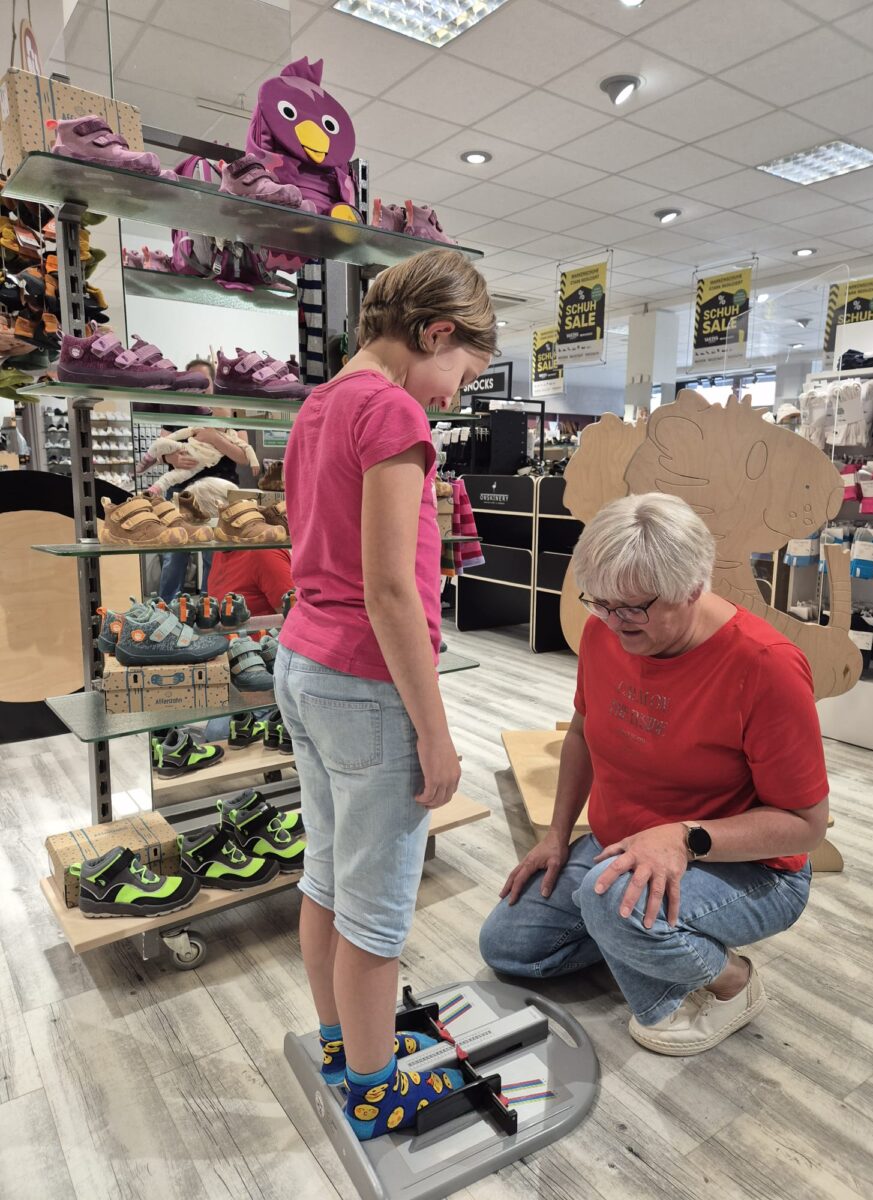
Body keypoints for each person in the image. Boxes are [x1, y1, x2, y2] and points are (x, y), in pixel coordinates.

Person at [480, 493, 829, 1056]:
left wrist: (685, 837)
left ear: (693, 588)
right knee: (508, 948)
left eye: (634, 609)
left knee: (609, 903)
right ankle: (642, 935)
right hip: (617, 845)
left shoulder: (765, 666)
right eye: (600, 603)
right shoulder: (606, 631)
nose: (615, 623)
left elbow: (806, 827)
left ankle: (731, 981)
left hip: (748, 865)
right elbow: (581, 733)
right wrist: (555, 836)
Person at [274, 249, 494, 1139]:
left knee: (326, 876)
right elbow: (393, 589)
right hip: (367, 683)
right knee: (376, 911)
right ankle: (374, 1086)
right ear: (434, 334)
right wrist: (435, 734)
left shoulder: (319, 405)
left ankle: (341, 1046)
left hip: (303, 661)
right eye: (463, 372)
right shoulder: (393, 412)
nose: (452, 396)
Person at [152, 357, 256, 601]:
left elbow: (243, 455)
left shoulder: (228, 412)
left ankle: (215, 606)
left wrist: (214, 438)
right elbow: (160, 451)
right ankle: (165, 608)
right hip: (182, 489)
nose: (197, 387)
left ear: (213, 382)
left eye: (202, 382)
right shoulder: (176, 410)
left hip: (220, 494)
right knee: (175, 554)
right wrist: (172, 459)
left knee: (217, 554)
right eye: (191, 382)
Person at [206, 546, 292, 618]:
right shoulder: (220, 550)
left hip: (260, 636)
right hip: (224, 635)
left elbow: (292, 615)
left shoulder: (264, 553)